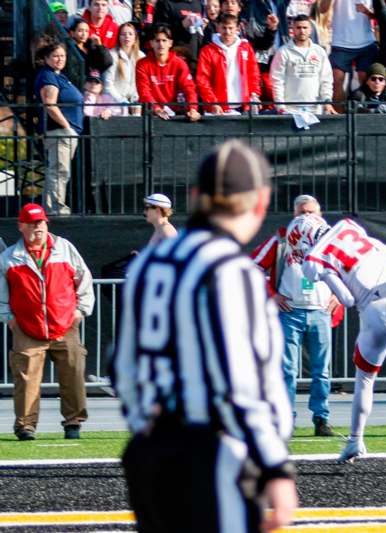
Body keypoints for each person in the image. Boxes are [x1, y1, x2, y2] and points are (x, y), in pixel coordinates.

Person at [112, 140, 297, 533]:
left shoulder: (149, 263)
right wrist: (275, 466)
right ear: (259, 203)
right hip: (212, 453)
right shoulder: (230, 269)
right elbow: (239, 382)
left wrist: (146, 425)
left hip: (148, 453)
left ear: (196, 197)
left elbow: (120, 365)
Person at [298, 216, 386, 463]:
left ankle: (355, 440)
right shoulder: (348, 226)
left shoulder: (315, 256)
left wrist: (331, 275)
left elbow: (348, 300)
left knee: (365, 379)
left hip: (375, 312)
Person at [0, 203, 94, 441]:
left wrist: (80, 311)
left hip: (65, 325)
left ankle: (73, 423)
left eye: (40, 222)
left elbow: (83, 278)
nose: (37, 227)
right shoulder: (9, 257)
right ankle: (25, 426)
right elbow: (1, 292)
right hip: (26, 327)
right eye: (31, 224)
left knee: (73, 374)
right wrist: (8, 318)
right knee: (26, 379)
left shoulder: (64, 248)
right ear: (21, 226)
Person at [250, 195, 339, 437]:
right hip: (290, 312)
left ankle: (321, 418)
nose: (307, 216)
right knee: (287, 370)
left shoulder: (330, 240)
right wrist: (273, 295)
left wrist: (338, 296)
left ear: (320, 214)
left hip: (320, 310)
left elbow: (347, 269)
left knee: (322, 370)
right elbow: (253, 266)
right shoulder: (282, 239)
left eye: (311, 212)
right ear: (294, 215)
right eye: (301, 212)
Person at [34, 41, 84, 216]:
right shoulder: (48, 76)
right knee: (59, 171)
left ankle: (51, 208)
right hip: (59, 132)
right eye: (55, 56)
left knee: (59, 170)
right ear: (46, 58)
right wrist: (67, 126)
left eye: (62, 56)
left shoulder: (59, 76)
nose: (60, 59)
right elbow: (50, 104)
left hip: (66, 133)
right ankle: (56, 208)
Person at [317, 0, 378, 109]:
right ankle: (339, 120)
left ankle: (367, 116)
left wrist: (368, 12)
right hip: (341, 42)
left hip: (366, 42)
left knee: (367, 80)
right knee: (336, 80)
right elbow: (322, 9)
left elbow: (382, 15)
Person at [196, 13, 261, 114]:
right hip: (218, 108)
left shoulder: (246, 47)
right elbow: (203, 79)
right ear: (218, 28)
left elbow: (253, 74)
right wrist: (212, 102)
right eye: (224, 28)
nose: (227, 32)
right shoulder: (207, 51)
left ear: (237, 29)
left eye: (231, 28)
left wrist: (254, 94)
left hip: (243, 106)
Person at [270, 14, 336, 114]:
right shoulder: (283, 52)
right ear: (292, 29)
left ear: (310, 30)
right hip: (290, 110)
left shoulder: (319, 52)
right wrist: (280, 106)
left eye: (305, 27)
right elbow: (277, 81)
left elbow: (326, 79)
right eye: (298, 27)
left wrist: (327, 101)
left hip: (315, 110)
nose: (302, 31)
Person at [135, 24, 201, 121]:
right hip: (152, 115)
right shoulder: (142, 64)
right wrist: (156, 109)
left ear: (170, 43)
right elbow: (144, 91)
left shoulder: (179, 63)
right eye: (157, 41)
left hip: (176, 114)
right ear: (151, 43)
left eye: (164, 40)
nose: (161, 44)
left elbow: (189, 88)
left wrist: (193, 109)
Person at [104, 21, 145, 115]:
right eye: (123, 34)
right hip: (115, 102)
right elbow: (108, 85)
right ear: (118, 37)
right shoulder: (112, 55)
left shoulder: (141, 56)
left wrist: (135, 99)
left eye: (130, 34)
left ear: (135, 38)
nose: (127, 37)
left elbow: (142, 82)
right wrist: (121, 101)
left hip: (135, 101)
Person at [154, 0, 204, 69]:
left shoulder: (197, 4)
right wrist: (182, 24)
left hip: (194, 60)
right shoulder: (165, 3)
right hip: (174, 60)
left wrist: (203, 27)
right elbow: (159, 31)